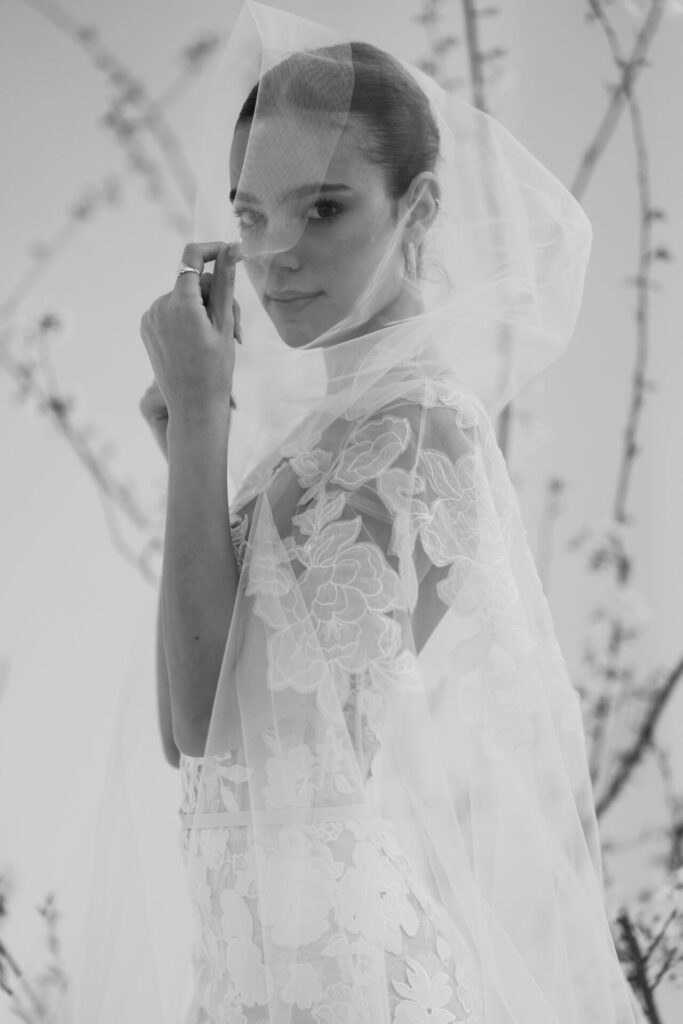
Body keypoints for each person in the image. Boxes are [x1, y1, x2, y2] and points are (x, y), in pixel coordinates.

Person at [89, 3, 645, 1023]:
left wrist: (207, 416)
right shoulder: (310, 445)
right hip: (261, 963)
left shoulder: (425, 427)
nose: (276, 255)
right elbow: (189, 731)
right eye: (251, 216)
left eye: (324, 207)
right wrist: (192, 455)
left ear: (418, 209)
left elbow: (231, 733)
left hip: (343, 973)